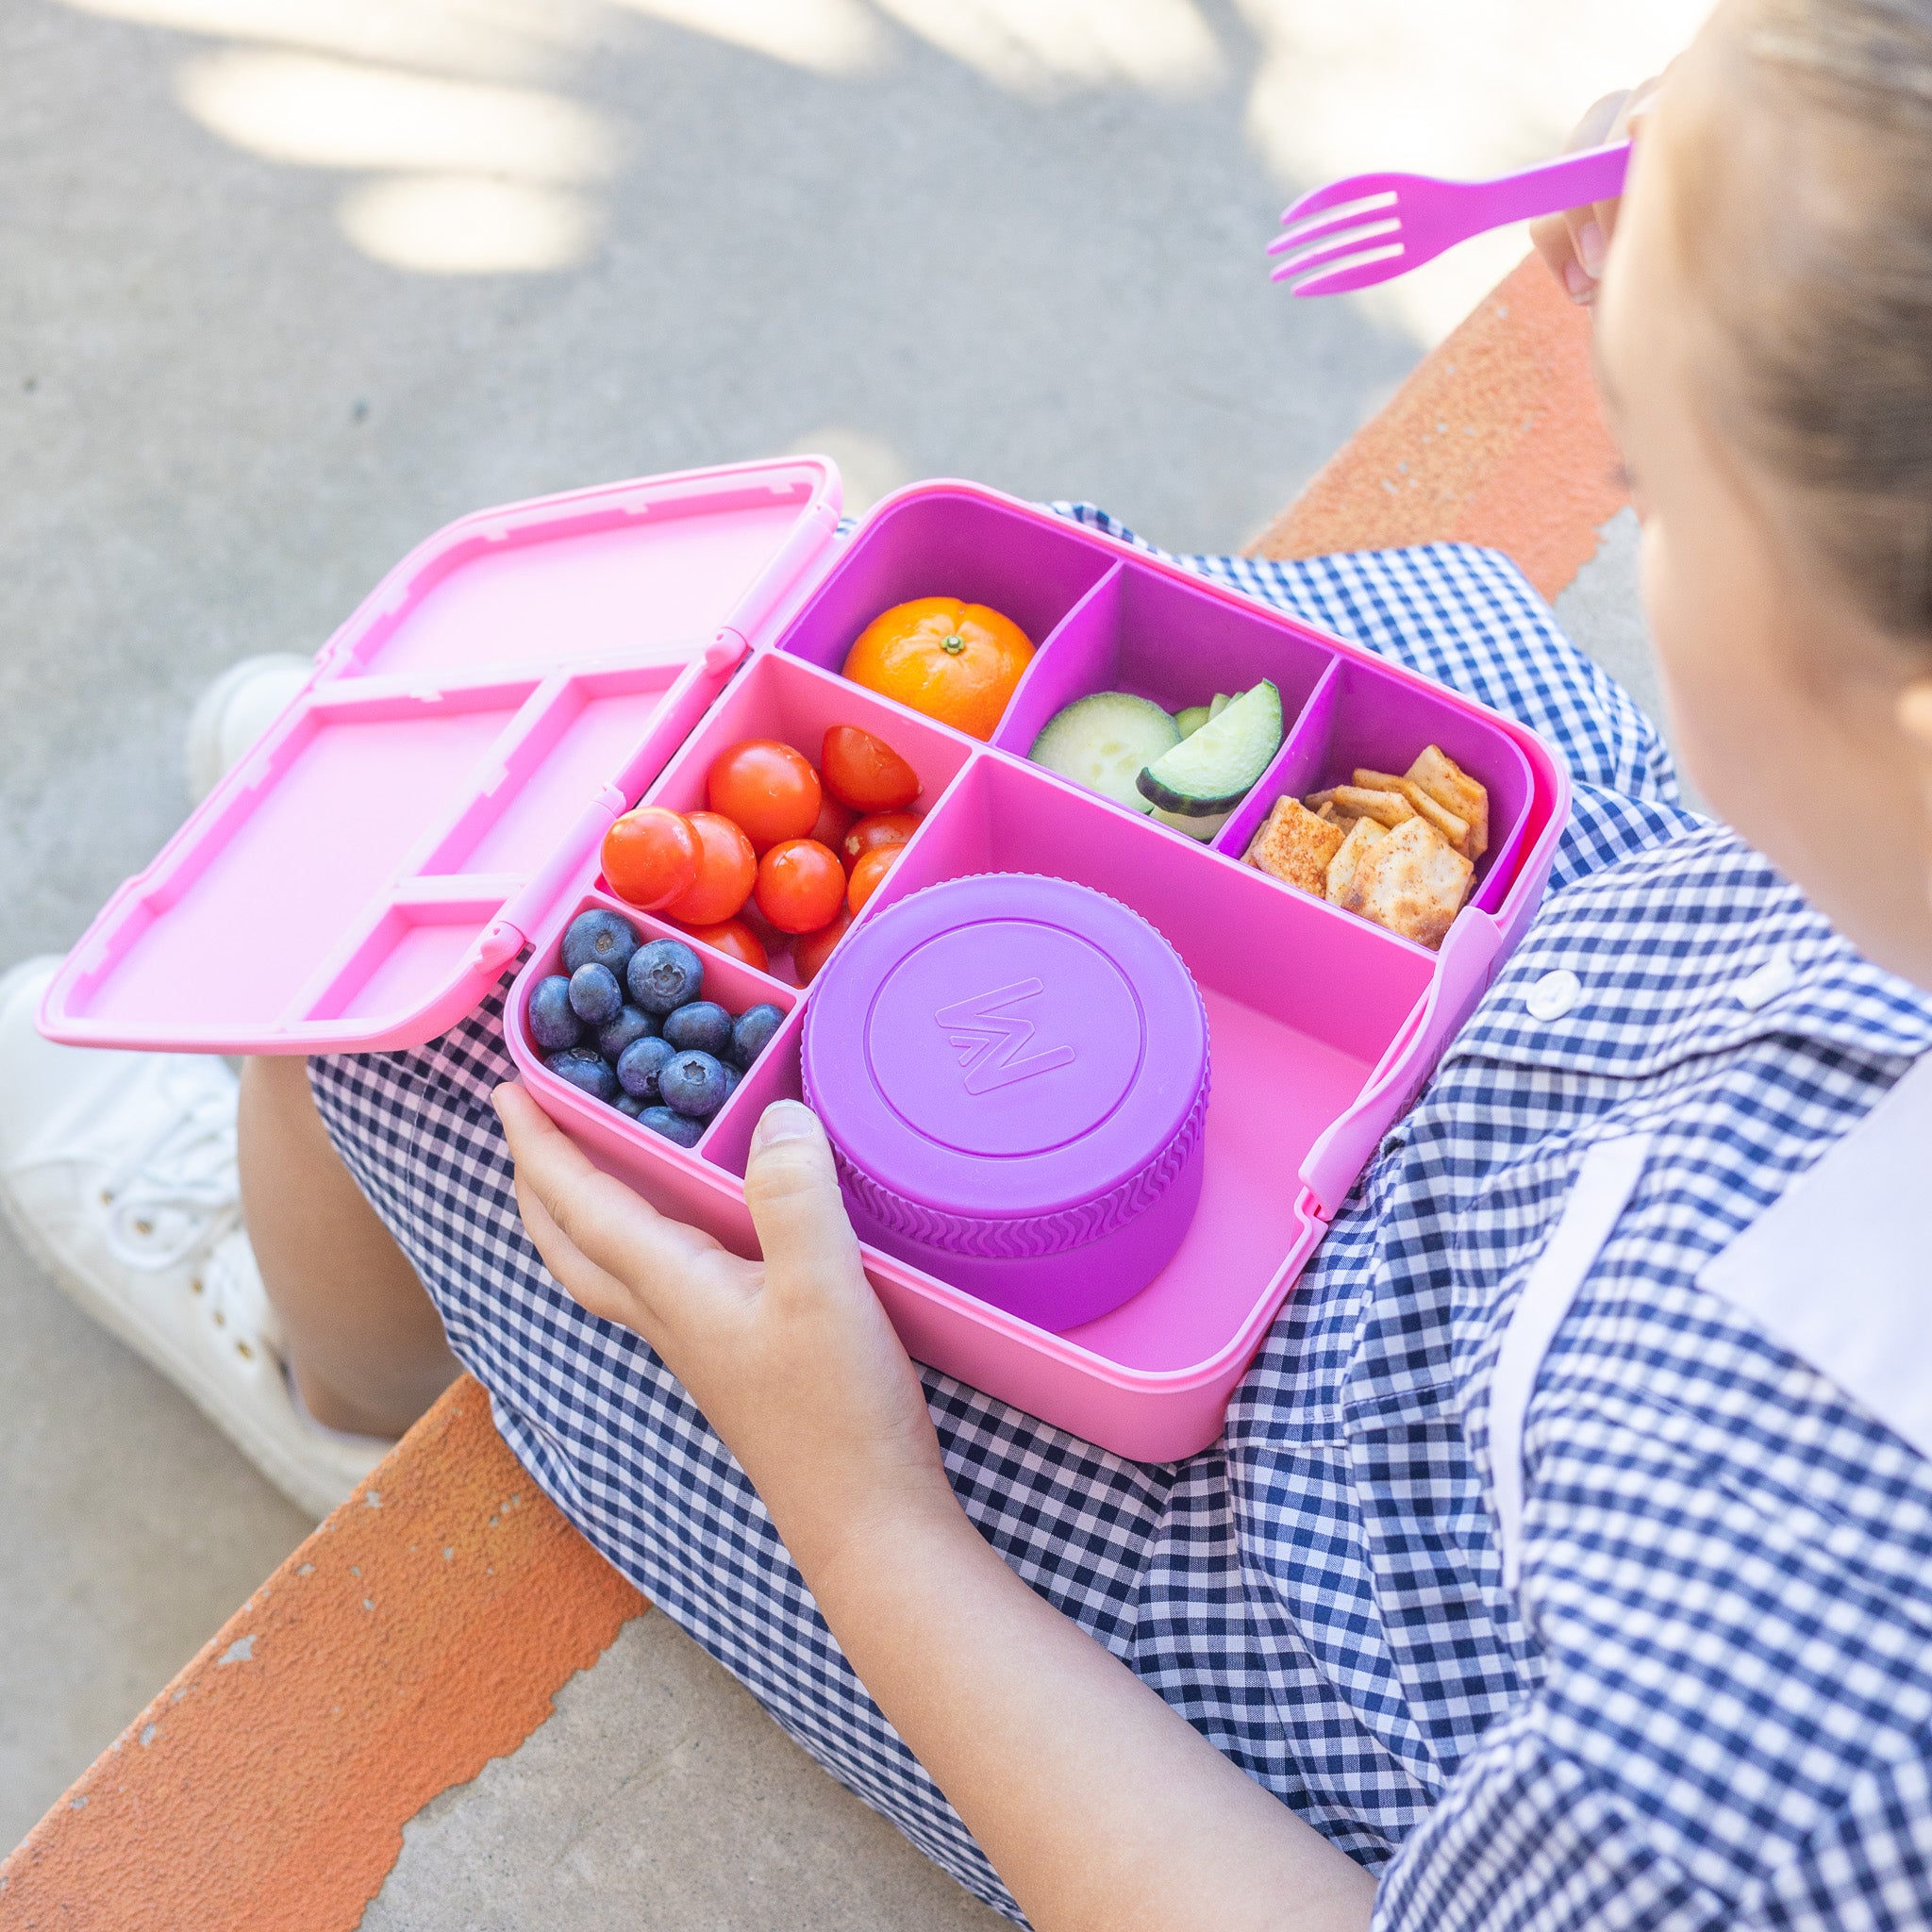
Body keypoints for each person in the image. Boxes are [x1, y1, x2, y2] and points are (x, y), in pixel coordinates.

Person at [6, 0, 1931, 1921]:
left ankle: (332, 1364)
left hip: (1312, 1524)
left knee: (431, 1037)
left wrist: (856, 1503)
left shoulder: (1788, 1759)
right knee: (963, 628)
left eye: (1652, 489)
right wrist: (1786, 253)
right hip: (1602, 1006)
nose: (1628, 480)